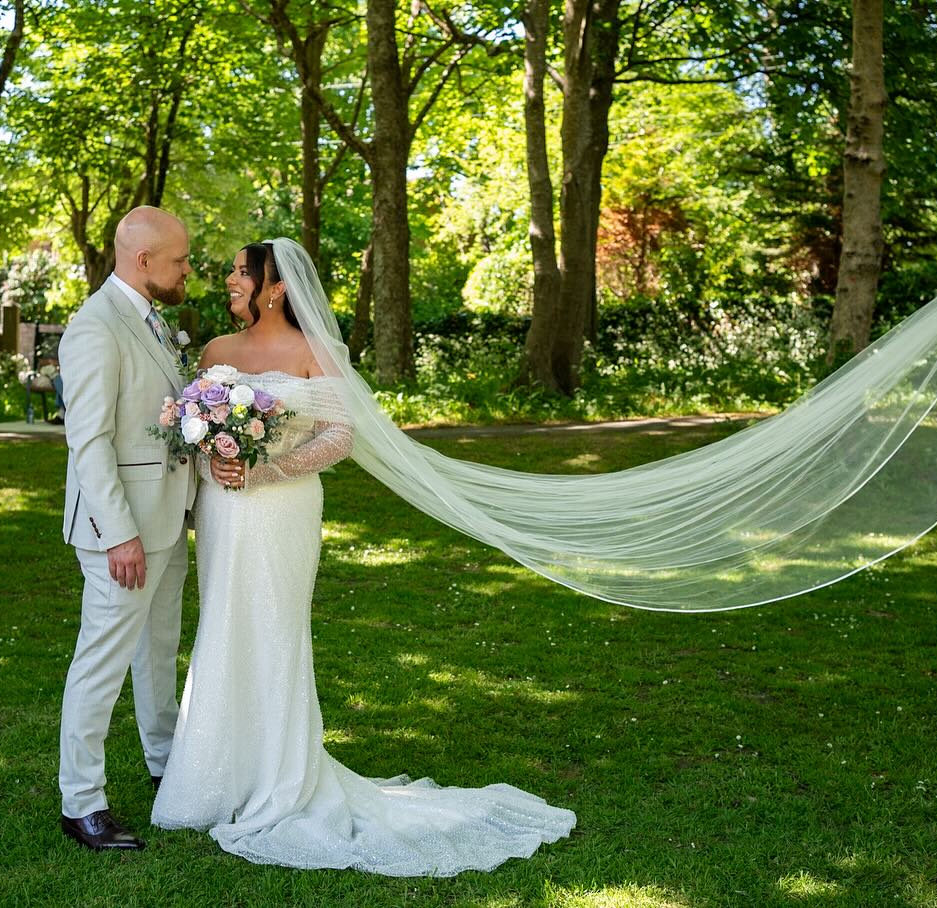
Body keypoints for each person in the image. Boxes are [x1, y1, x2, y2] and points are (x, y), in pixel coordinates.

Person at [149, 242, 577, 875]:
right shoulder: (214, 353)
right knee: (220, 626)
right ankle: (213, 776)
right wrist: (217, 459)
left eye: (243, 272)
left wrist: (265, 469)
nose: (230, 281)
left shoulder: (312, 352)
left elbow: (339, 438)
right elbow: (197, 431)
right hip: (223, 511)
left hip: (282, 509)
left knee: (275, 631)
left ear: (275, 287)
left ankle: (281, 776)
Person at [57, 206, 198, 851]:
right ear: (144, 262)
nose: (188, 272)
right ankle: (81, 802)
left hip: (167, 519)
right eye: (179, 262)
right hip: (123, 533)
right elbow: (89, 443)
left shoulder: (155, 322)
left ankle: (165, 761)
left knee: (160, 648)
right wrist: (119, 534)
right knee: (102, 663)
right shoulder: (95, 327)